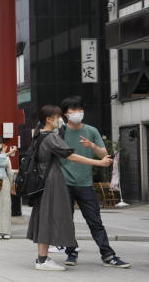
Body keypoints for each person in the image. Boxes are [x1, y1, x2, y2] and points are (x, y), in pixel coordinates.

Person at [26, 105, 113, 271]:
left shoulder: (39, 135)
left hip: (42, 181)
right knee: (49, 217)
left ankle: (42, 258)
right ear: (49, 119)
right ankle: (42, 260)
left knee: (45, 217)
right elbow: (71, 155)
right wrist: (98, 162)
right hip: (51, 181)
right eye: (58, 116)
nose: (61, 119)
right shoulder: (51, 137)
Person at [55, 96, 131, 268]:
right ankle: (71, 252)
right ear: (65, 114)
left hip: (85, 183)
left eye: (79, 109)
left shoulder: (91, 131)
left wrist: (93, 147)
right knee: (67, 220)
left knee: (95, 220)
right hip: (64, 183)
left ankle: (108, 255)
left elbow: (104, 155)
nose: (77, 113)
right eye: (73, 110)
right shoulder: (60, 132)